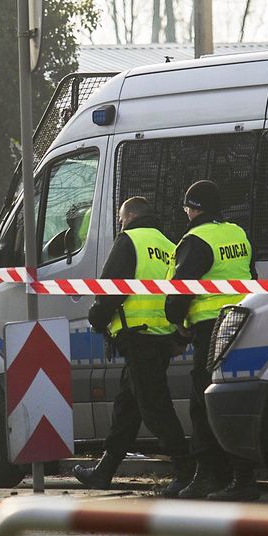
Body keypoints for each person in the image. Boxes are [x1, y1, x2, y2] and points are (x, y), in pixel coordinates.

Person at [77, 197, 194, 495]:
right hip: (162, 337)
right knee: (127, 409)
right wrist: (179, 337)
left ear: (130, 216)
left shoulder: (129, 240)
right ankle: (104, 471)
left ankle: (186, 472)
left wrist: (97, 318)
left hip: (138, 336)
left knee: (155, 407)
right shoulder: (169, 245)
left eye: (120, 219)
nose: (120, 224)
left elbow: (110, 289)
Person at [166, 180, 259, 501]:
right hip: (244, 322)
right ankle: (242, 477)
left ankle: (207, 476)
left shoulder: (196, 239)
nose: (186, 213)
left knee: (202, 401)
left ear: (195, 209)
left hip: (211, 328)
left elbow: (180, 290)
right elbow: (253, 277)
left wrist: (178, 323)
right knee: (233, 399)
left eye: (187, 207)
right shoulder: (237, 233)